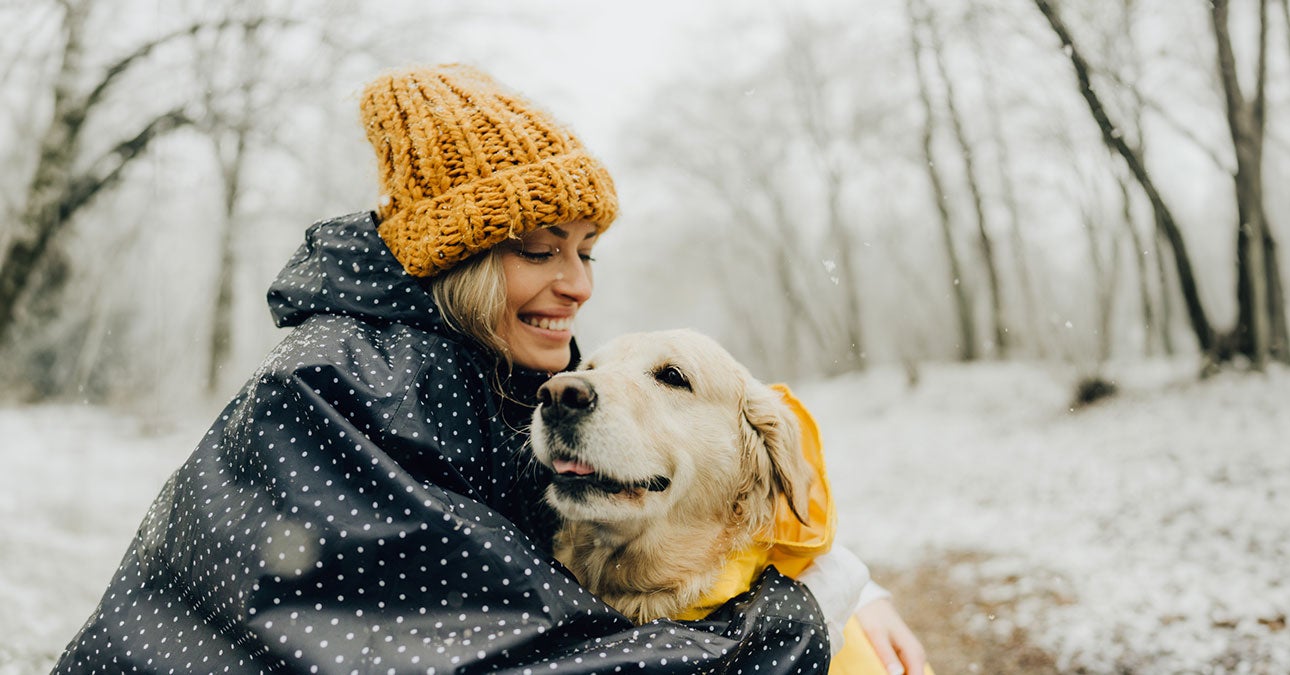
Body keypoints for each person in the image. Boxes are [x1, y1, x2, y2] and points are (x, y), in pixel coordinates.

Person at [54, 64, 925, 674]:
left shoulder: (488, 368)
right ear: (457, 260)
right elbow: (515, 654)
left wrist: (828, 566)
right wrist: (803, 616)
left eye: (588, 251)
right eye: (542, 249)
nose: (579, 285)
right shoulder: (334, 391)